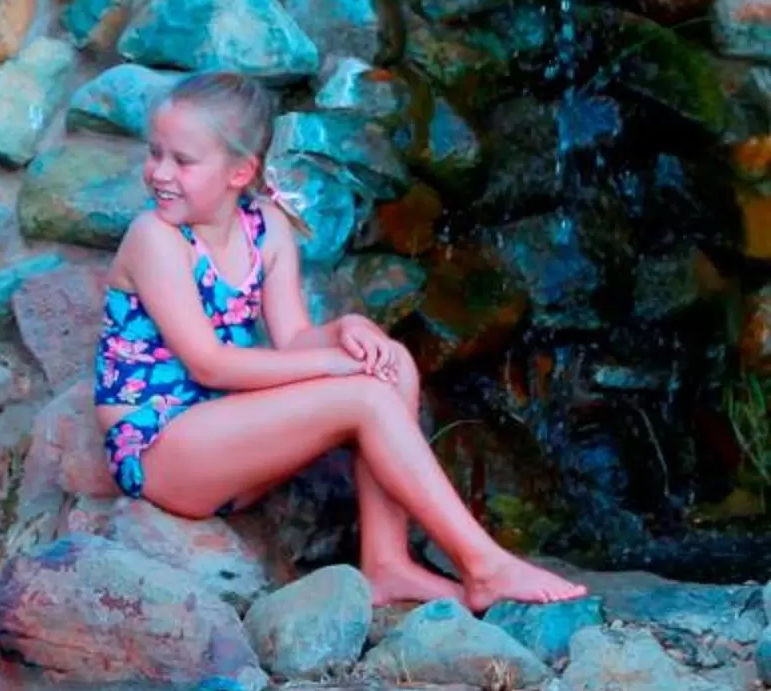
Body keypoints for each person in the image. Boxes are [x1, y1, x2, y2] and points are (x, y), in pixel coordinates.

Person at [96, 72, 587, 611]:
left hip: (232, 439)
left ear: (242, 172)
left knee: (390, 363)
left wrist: (343, 334)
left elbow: (293, 340)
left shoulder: (266, 228)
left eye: (182, 161)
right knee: (361, 393)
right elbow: (209, 364)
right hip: (163, 449)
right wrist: (331, 368)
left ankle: (387, 564)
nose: (160, 173)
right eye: (155, 154)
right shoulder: (156, 238)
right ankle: (485, 566)